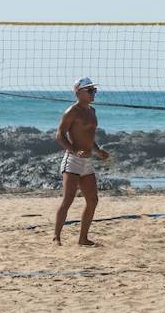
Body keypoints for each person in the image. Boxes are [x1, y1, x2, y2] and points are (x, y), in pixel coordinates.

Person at [53, 77, 110, 246]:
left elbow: (89, 137)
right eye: (90, 90)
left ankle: (82, 238)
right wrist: (74, 150)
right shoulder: (72, 111)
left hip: (87, 161)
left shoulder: (92, 111)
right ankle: (56, 237)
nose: (93, 93)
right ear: (78, 92)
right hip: (72, 160)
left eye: (94, 90)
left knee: (92, 200)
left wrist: (98, 150)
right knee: (68, 199)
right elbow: (59, 135)